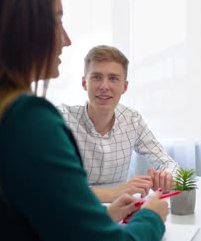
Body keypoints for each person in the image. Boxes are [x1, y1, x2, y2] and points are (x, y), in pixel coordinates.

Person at [0, 0, 168, 241]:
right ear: (17, 28)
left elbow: (20, 221)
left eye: (113, 79)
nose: (66, 39)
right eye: (56, 21)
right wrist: (151, 217)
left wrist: (102, 215)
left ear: (125, 86)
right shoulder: (25, 120)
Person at [58, 45, 179, 202]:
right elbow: (54, 185)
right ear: (84, 83)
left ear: (124, 87)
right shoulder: (61, 119)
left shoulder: (132, 120)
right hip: (72, 211)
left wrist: (166, 177)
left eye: (113, 78)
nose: (104, 86)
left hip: (120, 212)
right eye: (96, 77)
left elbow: (169, 164)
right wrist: (114, 193)